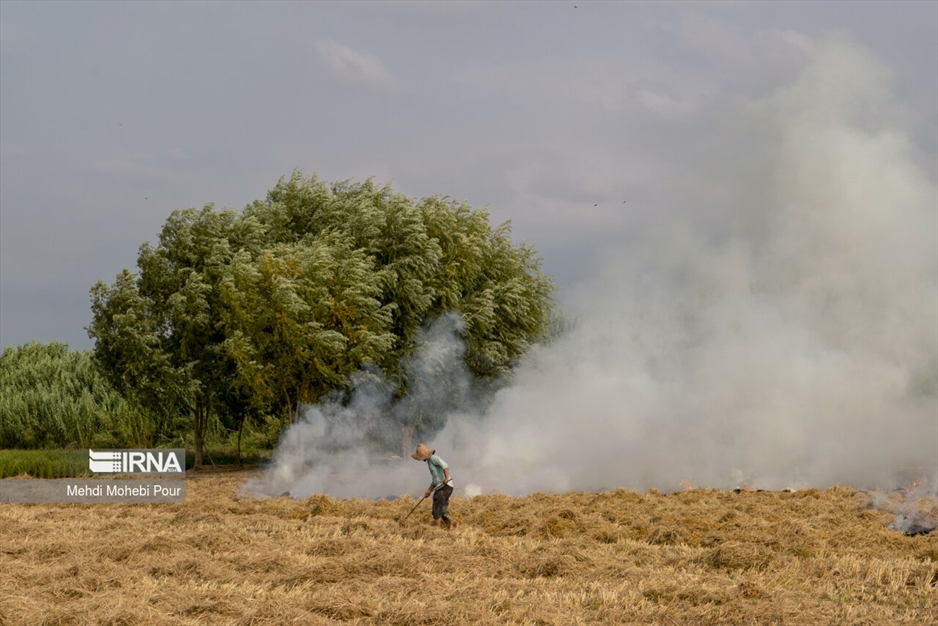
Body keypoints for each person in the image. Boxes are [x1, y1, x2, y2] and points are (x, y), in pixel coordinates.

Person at [411, 443, 457, 529]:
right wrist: (429, 490)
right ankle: (452, 521)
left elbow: (445, 465)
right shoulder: (429, 462)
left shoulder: (433, 458)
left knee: (437, 505)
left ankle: (437, 528)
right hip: (446, 486)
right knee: (442, 506)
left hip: (444, 486)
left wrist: (446, 478)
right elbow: (435, 480)